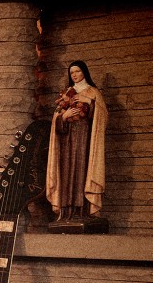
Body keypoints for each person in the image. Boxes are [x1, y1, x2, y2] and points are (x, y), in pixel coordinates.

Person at [45, 59, 108, 229]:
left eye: (77, 71)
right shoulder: (67, 93)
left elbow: (102, 116)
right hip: (66, 141)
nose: (74, 75)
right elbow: (56, 119)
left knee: (81, 171)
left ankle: (83, 212)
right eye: (72, 72)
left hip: (84, 139)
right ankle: (66, 213)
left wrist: (88, 105)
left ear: (84, 72)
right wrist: (63, 117)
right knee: (66, 172)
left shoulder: (93, 92)